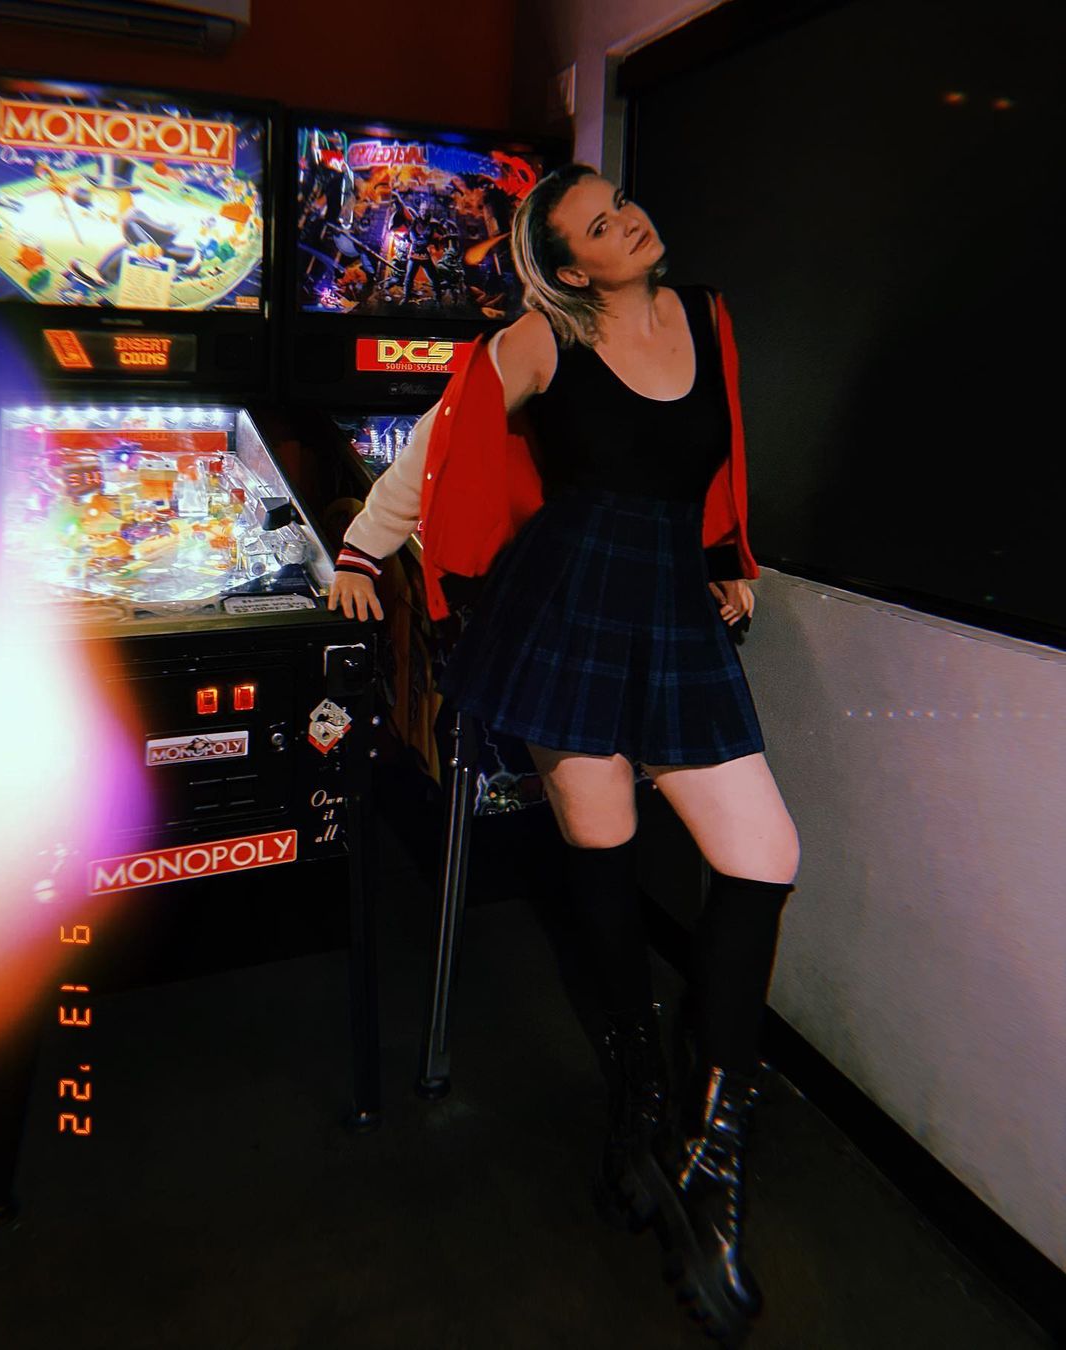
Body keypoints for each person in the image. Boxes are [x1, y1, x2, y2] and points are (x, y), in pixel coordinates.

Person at [330, 163, 801, 1346]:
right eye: (597, 225)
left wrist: (729, 556)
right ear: (568, 266)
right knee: (603, 853)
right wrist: (363, 546)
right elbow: (444, 441)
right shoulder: (543, 339)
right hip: (570, 604)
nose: (625, 221)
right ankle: (638, 1103)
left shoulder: (704, 314)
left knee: (764, 855)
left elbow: (719, 455)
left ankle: (706, 1146)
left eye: (619, 204)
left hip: (671, 606)